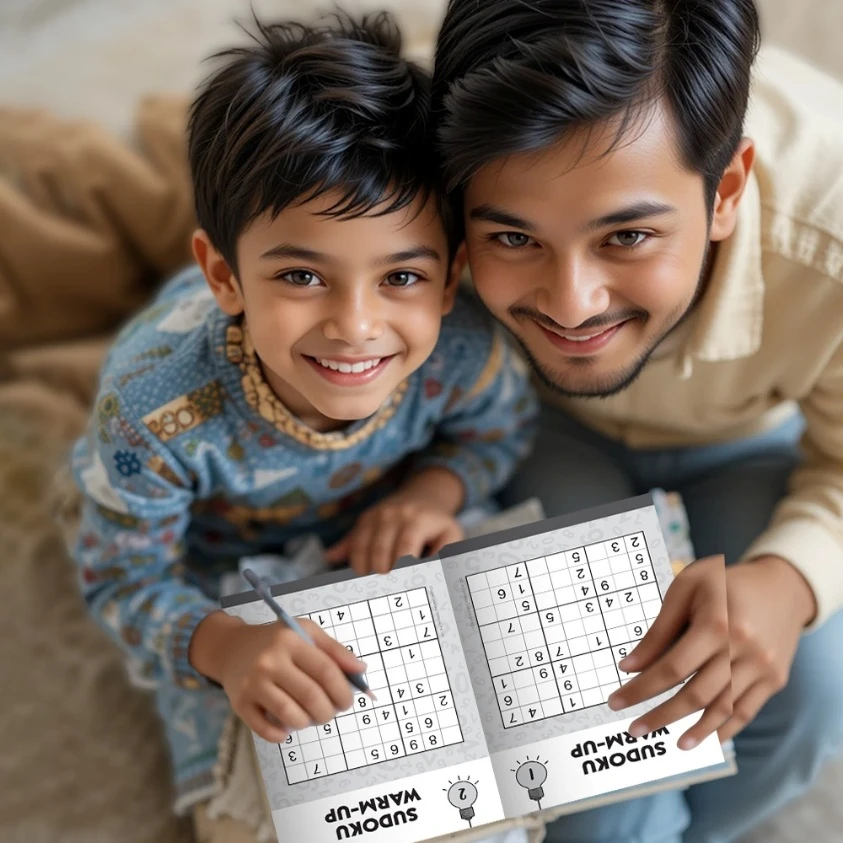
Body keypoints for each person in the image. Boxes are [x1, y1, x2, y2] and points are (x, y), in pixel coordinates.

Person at [68, 9, 537, 823]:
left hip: (382, 545)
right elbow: (121, 576)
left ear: (451, 275)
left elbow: (500, 430)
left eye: (400, 277)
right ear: (223, 276)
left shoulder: (465, 348)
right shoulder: (151, 411)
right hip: (220, 582)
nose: (355, 326)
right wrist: (226, 645)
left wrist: (433, 492)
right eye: (301, 276)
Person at [431, 0, 843, 841]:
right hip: (533, 424)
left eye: (624, 236)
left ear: (726, 191)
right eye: (512, 237)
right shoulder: (430, 141)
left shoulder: (828, 238)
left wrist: (789, 579)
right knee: (596, 751)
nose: (571, 304)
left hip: (747, 444)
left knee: (805, 694)